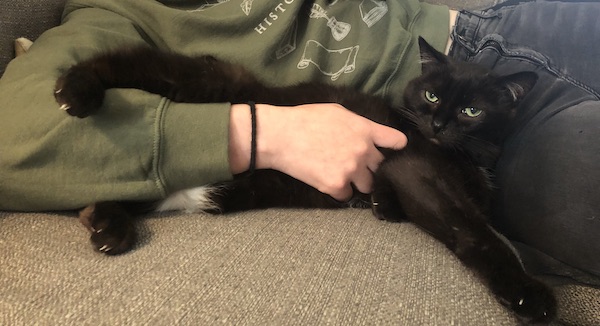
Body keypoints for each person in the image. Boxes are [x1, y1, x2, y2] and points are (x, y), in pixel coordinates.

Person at [0, 0, 598, 283]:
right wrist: (266, 132)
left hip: (487, 26)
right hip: (454, 119)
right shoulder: (112, 18)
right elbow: (12, 137)